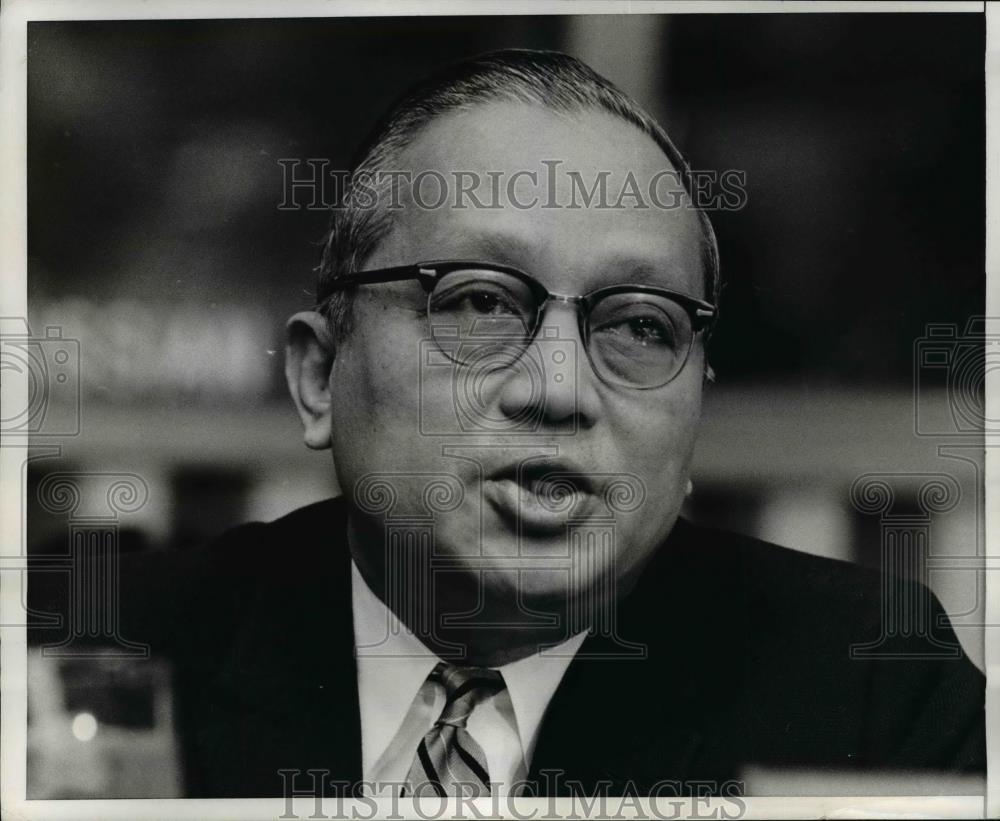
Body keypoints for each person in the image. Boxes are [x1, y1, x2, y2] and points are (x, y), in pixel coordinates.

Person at [29, 49, 985, 799]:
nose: (560, 389)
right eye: (481, 304)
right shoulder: (92, 645)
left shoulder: (871, 689)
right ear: (320, 375)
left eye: (640, 326)